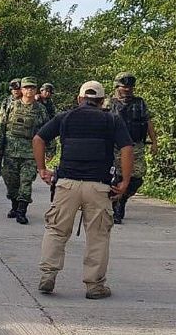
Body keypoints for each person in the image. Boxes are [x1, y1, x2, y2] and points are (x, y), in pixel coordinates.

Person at [33, 81, 133, 299]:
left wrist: (42, 169)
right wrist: (125, 181)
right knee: (97, 236)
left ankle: (48, 275)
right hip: (98, 187)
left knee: (56, 231)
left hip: (66, 185)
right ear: (102, 101)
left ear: (79, 99)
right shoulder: (111, 119)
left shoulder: (65, 117)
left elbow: (38, 138)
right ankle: (94, 285)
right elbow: (127, 148)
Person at [103, 72, 158, 224]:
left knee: (137, 177)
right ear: (117, 87)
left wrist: (154, 142)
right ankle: (116, 207)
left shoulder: (139, 103)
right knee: (116, 176)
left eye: (130, 87)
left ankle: (122, 198)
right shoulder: (109, 103)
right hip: (114, 146)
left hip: (136, 145)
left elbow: (148, 122)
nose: (127, 90)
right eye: (124, 87)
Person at [0, 77, 49, 224]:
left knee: (26, 182)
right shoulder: (11, 106)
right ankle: (14, 206)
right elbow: (1, 127)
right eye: (26, 88)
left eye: (32, 88)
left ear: (36, 90)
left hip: (30, 153)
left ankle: (22, 211)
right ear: (21, 90)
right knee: (11, 182)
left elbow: (47, 131)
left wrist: (50, 150)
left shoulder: (40, 110)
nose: (29, 91)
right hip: (10, 152)